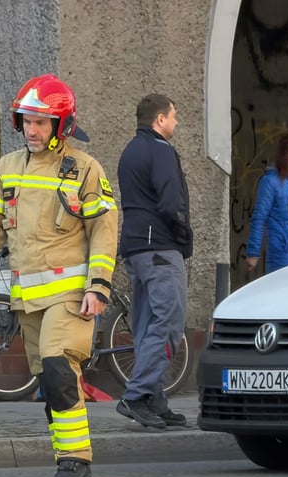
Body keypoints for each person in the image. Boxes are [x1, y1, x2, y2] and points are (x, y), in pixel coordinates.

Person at [0, 74, 118, 477]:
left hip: (69, 295)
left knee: (57, 366)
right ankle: (66, 460)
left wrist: (97, 286)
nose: (31, 130)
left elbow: (104, 231)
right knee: (50, 384)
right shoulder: (7, 168)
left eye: (40, 122)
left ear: (61, 125)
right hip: (26, 300)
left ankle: (75, 465)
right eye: (26, 121)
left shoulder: (85, 169)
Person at [116, 94, 192, 432]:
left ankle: (153, 398)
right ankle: (136, 395)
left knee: (147, 324)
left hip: (135, 247)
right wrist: (183, 235)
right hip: (160, 247)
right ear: (160, 119)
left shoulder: (130, 150)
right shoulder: (161, 150)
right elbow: (170, 201)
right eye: (173, 116)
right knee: (170, 322)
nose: (176, 122)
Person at [244, 132, 288, 273]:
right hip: (282, 254)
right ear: (284, 156)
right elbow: (259, 218)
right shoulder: (271, 181)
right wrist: (253, 252)